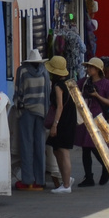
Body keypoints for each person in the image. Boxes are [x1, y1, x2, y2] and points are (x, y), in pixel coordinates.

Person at [13, 49, 50, 191]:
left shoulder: (22, 71)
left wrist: (18, 107)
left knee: (26, 146)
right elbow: (47, 93)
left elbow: (18, 90)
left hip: (26, 111)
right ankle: (40, 180)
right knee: (40, 146)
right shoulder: (45, 72)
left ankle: (28, 179)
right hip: (41, 111)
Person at [75, 58, 109, 187]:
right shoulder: (84, 82)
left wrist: (97, 95)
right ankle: (89, 176)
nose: (88, 69)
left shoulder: (105, 83)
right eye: (88, 67)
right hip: (85, 116)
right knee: (85, 147)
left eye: (91, 67)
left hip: (97, 116)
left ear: (98, 69)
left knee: (92, 145)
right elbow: (74, 88)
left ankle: (106, 166)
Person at [43, 56, 78, 193]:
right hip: (69, 119)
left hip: (63, 121)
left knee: (63, 152)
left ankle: (67, 185)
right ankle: (66, 179)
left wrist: (55, 125)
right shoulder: (69, 83)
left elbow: (59, 106)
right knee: (57, 150)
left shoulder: (58, 86)